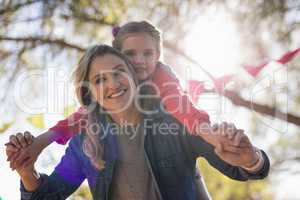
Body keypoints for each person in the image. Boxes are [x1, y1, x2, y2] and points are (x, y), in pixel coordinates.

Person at [6, 45, 269, 200]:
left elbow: (245, 167)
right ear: (90, 94)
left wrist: (249, 157)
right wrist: (27, 173)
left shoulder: (174, 124)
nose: (112, 84)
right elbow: (48, 196)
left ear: (134, 77)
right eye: (99, 80)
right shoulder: (83, 146)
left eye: (119, 71)